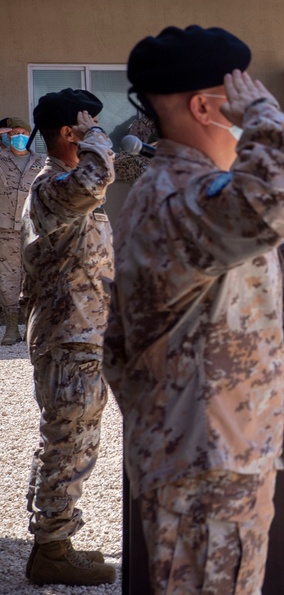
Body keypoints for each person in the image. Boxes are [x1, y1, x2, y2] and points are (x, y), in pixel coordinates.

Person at [104, 25, 284, 594]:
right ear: (204, 107)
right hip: (205, 465)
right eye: (239, 96)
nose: (250, 107)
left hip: (212, 453)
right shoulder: (178, 195)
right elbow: (267, 205)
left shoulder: (191, 190)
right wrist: (266, 118)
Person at [19, 90, 116, 586]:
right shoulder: (54, 186)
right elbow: (95, 177)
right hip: (67, 335)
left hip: (80, 333)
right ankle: (51, 551)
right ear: (68, 133)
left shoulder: (62, 185)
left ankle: (54, 540)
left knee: (68, 439)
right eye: (87, 123)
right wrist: (97, 138)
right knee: (67, 440)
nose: (97, 130)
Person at [0, 115, 45, 345]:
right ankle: (10, 328)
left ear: (29, 135)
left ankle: (31, 327)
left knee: (35, 277)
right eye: (12, 133)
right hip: (5, 230)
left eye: (21, 132)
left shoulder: (42, 163)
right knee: (8, 278)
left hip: (34, 230)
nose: (17, 137)